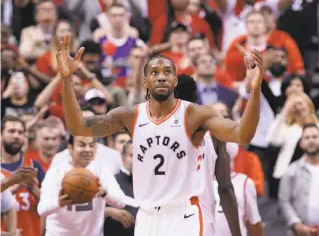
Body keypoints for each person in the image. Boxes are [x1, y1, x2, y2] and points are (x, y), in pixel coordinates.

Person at [57, 34, 264, 236]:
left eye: (167, 72)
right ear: (145, 81)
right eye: (154, 72)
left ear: (175, 80)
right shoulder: (130, 115)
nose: (161, 76)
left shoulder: (196, 115)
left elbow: (241, 135)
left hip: (185, 215)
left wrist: (255, 92)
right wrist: (66, 79)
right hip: (147, 216)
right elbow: (79, 127)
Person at [174, 74, 242, 236]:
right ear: (196, 97)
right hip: (200, 220)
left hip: (159, 222)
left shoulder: (151, 132)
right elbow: (225, 188)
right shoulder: (213, 133)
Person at [38, 135, 137, 236]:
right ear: (70, 148)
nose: (88, 149)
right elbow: (41, 209)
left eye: (92, 145)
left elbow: (121, 203)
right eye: (82, 145)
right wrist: (58, 203)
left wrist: (104, 193)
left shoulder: (101, 170)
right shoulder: (56, 172)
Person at [278, 123, 319, 236]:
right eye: (307, 137)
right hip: (299, 232)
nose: (311, 140)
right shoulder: (291, 171)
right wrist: (296, 224)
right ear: (301, 143)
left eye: (315, 137)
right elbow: (284, 201)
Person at [1, 116, 45, 236]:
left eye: (20, 132)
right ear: (1, 135)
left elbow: (49, 204)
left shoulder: (34, 165)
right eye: (11, 131)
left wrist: (32, 188)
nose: (16, 136)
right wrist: (8, 192)